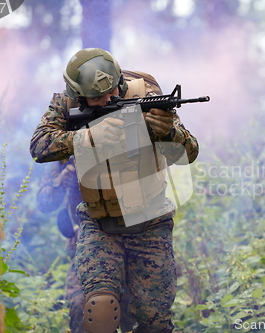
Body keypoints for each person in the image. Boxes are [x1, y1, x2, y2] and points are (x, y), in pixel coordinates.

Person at [30, 48, 199, 333]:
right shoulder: (65, 101)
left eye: (112, 92)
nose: (109, 100)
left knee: (154, 323)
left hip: (150, 224)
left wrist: (169, 132)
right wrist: (84, 137)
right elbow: (39, 146)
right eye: (97, 98)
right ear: (79, 95)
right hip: (99, 226)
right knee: (101, 310)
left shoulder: (145, 92)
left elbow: (189, 152)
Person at [35, 158, 135, 333]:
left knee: (135, 314)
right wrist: (62, 181)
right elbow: (44, 203)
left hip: (131, 242)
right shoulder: (67, 150)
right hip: (86, 246)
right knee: (84, 310)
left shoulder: (126, 137)